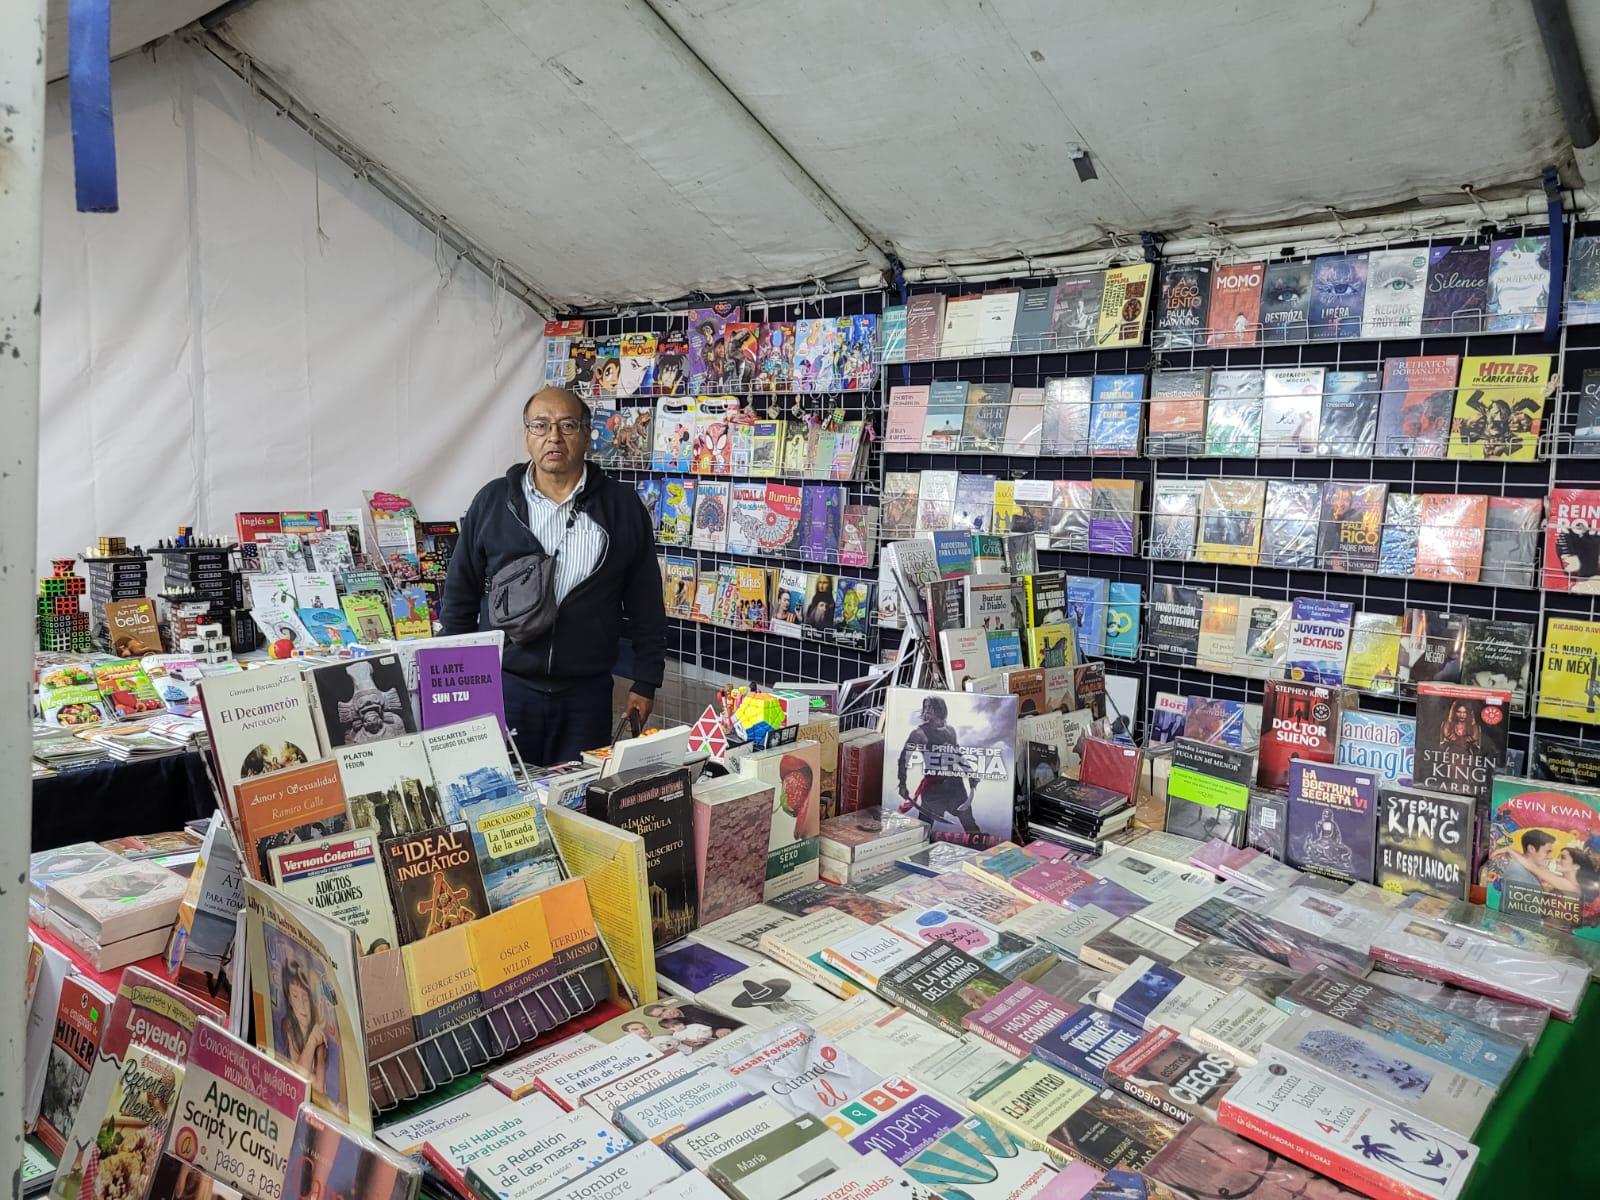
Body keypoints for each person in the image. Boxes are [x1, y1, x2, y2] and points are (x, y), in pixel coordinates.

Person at [442, 386, 666, 767]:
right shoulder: (494, 503)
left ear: (586, 434)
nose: (554, 437)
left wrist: (646, 680)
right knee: (503, 794)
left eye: (567, 425)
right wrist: (455, 681)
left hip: (587, 696)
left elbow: (646, 602)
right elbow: (459, 598)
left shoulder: (621, 507)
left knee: (578, 795)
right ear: (526, 435)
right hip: (506, 687)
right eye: (541, 425)